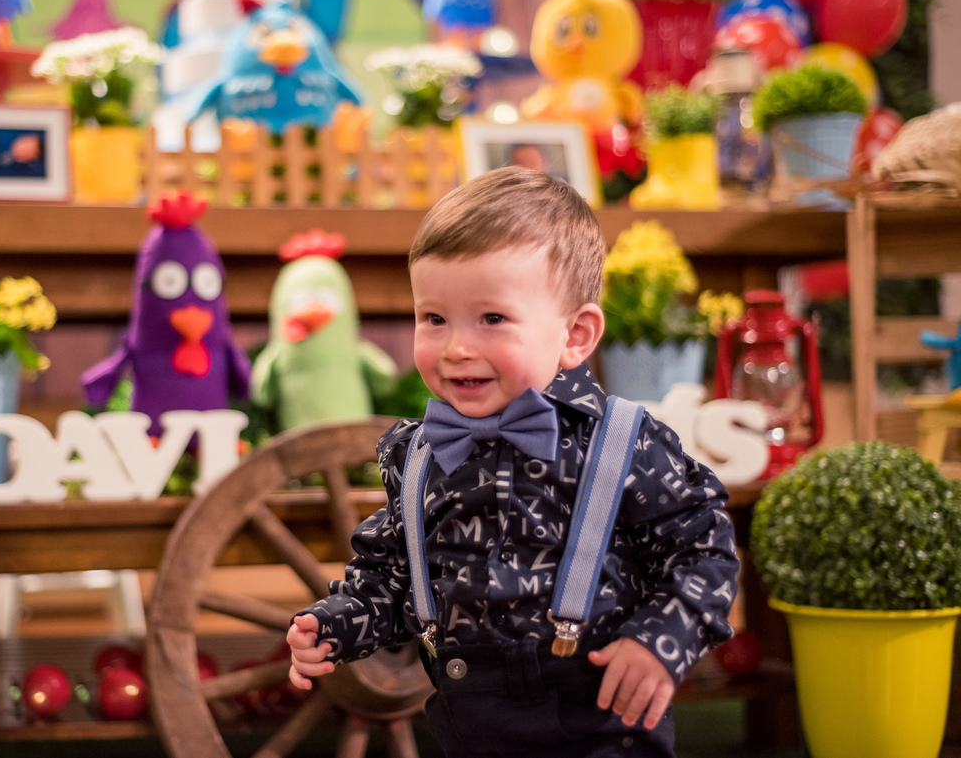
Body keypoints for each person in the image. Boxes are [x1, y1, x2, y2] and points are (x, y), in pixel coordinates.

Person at [286, 166, 739, 758]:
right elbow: (393, 575)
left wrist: (658, 641)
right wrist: (338, 622)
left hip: (602, 720)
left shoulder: (624, 443)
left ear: (575, 335)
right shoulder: (417, 454)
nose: (457, 348)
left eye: (492, 319)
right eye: (434, 319)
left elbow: (704, 550)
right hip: (471, 721)